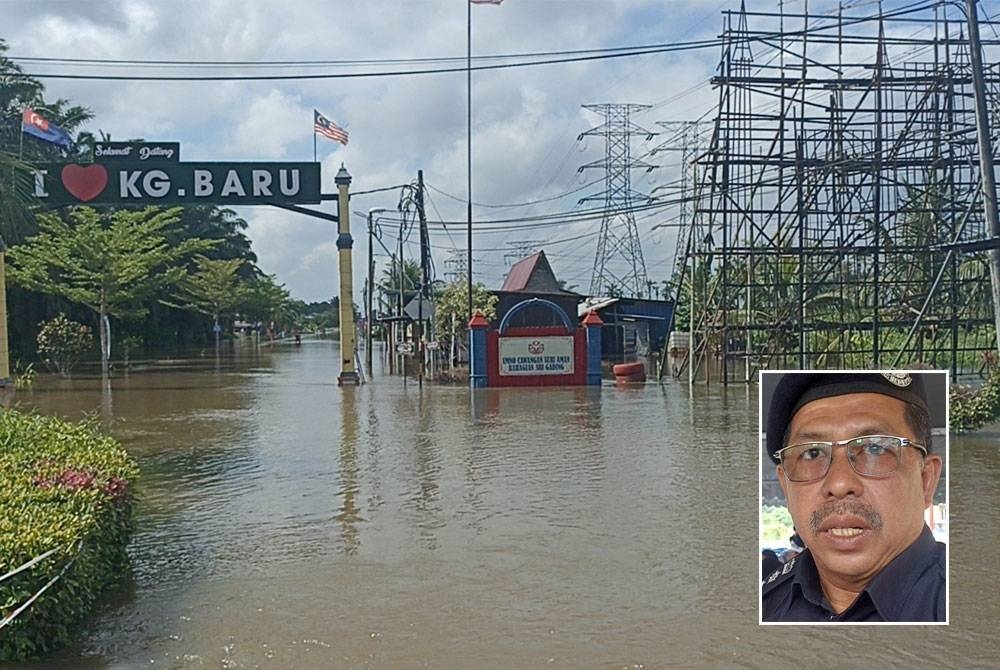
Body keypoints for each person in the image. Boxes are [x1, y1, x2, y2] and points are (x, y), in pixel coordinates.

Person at [761, 372, 945, 622]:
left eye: (875, 448)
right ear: (785, 486)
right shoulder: (765, 603)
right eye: (812, 453)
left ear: (926, 480)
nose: (839, 483)